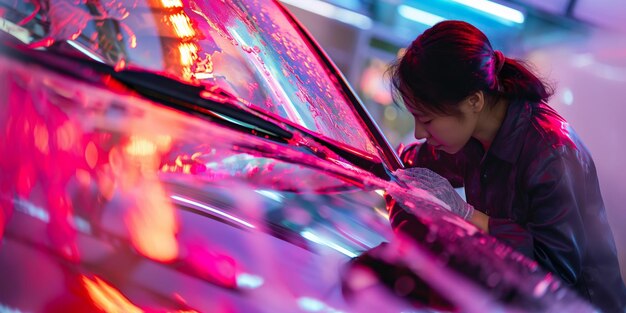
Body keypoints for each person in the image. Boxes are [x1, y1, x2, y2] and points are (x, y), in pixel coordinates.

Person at [387, 20, 626, 312]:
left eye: (426, 119)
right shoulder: (471, 136)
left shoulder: (553, 152)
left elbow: (556, 271)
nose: (419, 133)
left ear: (473, 102)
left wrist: (467, 215)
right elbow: (413, 161)